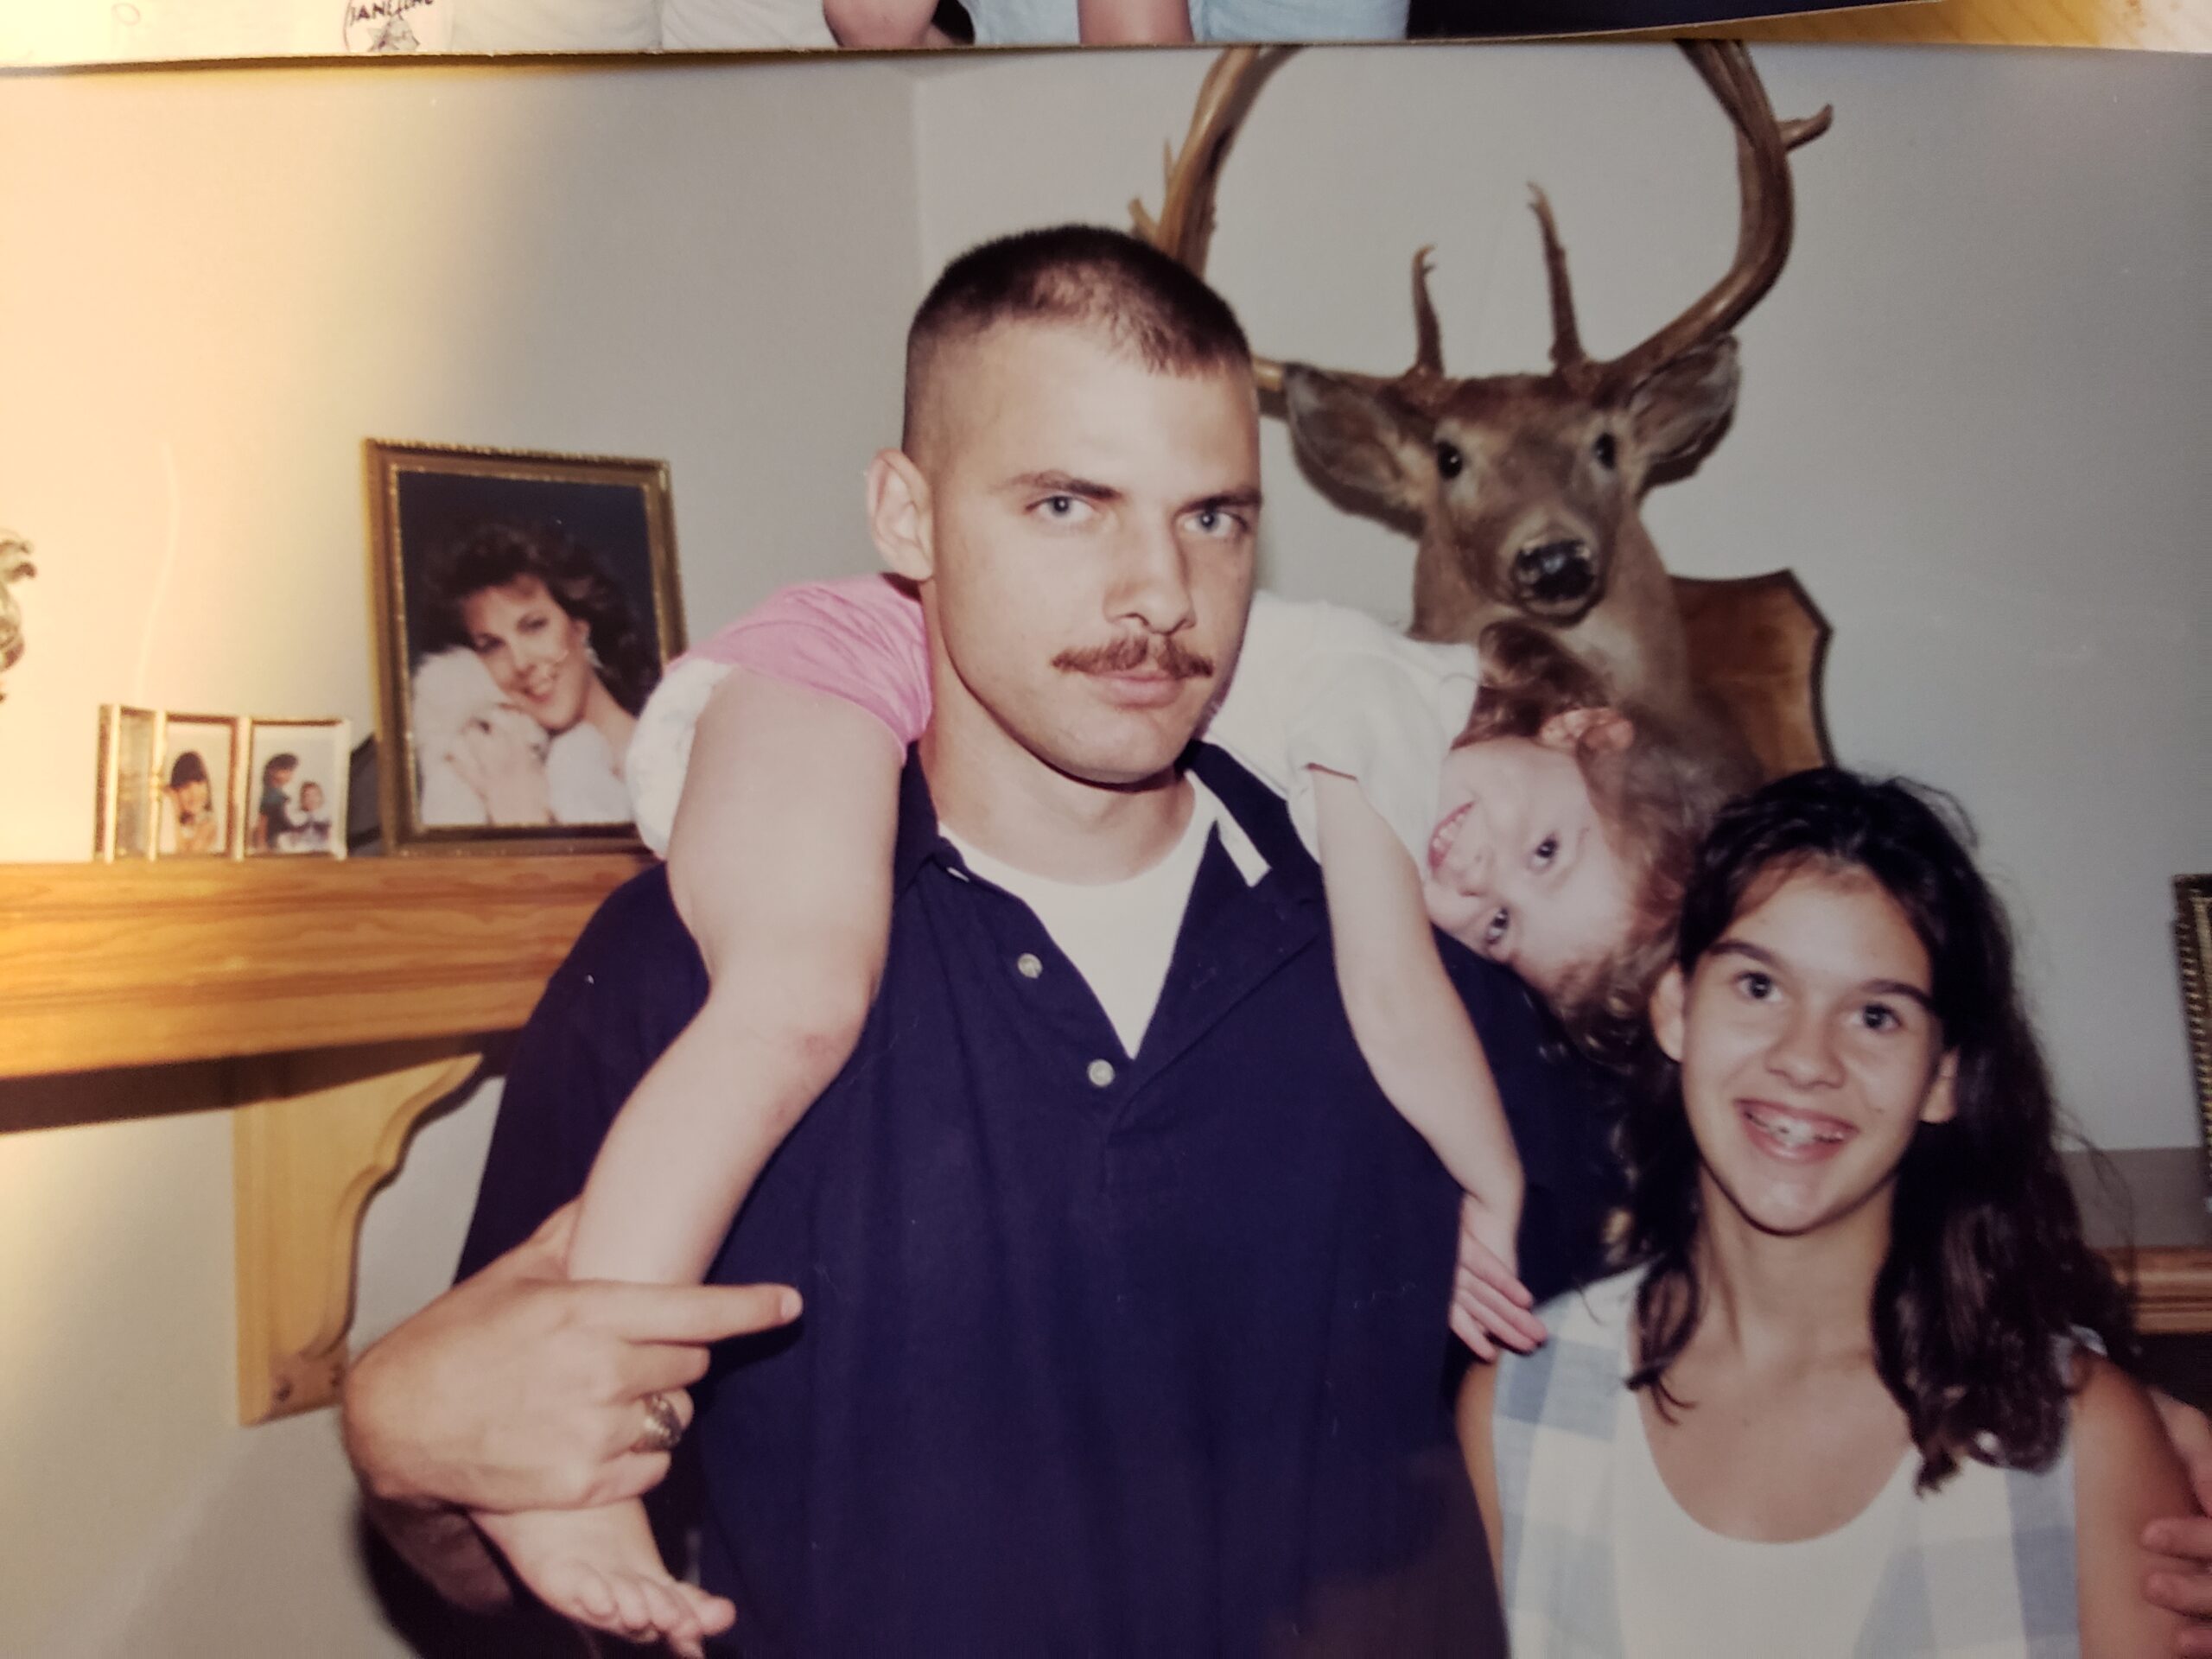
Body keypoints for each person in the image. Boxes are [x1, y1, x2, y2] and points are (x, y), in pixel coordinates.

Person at [345, 223, 1613, 1659]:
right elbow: (490, 1540)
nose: (1160, 594)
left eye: (1214, 518)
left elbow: (1637, 1410)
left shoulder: (1434, 944)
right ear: (906, 517)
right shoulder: (674, 966)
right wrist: (400, 1447)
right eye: (1069, 505)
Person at [1458, 767, 2196, 1656]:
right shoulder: (1518, 1413)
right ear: (1677, 1009)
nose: (1806, 1060)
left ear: (1943, 1076)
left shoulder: (2081, 1447)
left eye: (1876, 1016)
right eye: (1758, 987)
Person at [410, 518, 658, 830]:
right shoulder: (496, 770)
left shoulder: (673, 755)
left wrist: (523, 822)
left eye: (534, 626)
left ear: (580, 627)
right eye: (492, 646)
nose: (520, 662)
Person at [156, 749, 221, 855]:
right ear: (175, 791)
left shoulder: (208, 825)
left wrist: (174, 810)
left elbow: (185, 857)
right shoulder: (169, 823)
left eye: (199, 783)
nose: (194, 793)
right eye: (186, 787)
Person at [250, 752, 297, 853]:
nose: (290, 775)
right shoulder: (271, 795)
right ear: (272, 771)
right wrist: (261, 844)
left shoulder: (278, 794)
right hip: (272, 842)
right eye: (285, 770)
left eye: (291, 771)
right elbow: (263, 820)